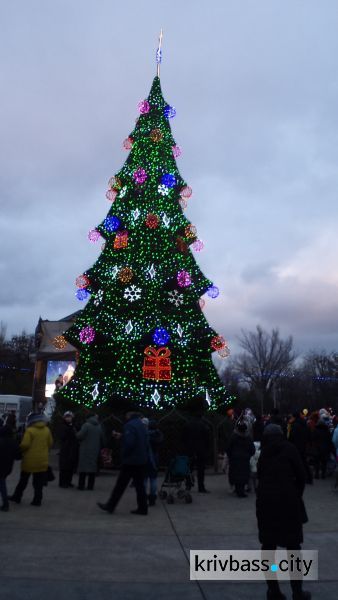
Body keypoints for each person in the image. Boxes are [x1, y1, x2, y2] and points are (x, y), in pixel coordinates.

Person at [256, 424, 311, 600]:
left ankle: (274, 590)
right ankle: (297, 591)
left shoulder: (264, 453)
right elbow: (302, 476)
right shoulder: (290, 449)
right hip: (288, 502)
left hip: (266, 503)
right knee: (293, 548)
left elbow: (259, 476)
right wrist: (295, 495)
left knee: (268, 548)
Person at [97, 411, 149, 515]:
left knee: (120, 485)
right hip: (141, 460)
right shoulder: (141, 425)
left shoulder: (129, 425)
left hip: (131, 461)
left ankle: (110, 505)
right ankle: (143, 508)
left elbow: (129, 443)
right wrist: (123, 436)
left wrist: (123, 454)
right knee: (140, 486)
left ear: (129, 416)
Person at [9, 413, 53, 506]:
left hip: (29, 460)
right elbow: (50, 443)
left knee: (23, 480)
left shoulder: (30, 430)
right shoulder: (47, 430)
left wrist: (19, 448)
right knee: (38, 483)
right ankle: (37, 500)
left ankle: (17, 497)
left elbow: (25, 444)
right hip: (42, 461)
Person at [183, 414, 211, 493]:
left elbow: (183, 437)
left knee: (189, 468)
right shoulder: (204, 426)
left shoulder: (187, 424)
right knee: (201, 469)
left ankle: (188, 485)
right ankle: (201, 487)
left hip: (190, 449)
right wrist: (207, 449)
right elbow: (207, 438)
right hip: (201, 449)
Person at [226, 421, 255, 497]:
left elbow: (228, 448)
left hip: (234, 459)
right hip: (245, 459)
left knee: (235, 473)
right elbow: (252, 449)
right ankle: (241, 490)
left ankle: (238, 488)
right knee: (243, 474)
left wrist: (230, 456)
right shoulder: (248, 438)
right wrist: (249, 455)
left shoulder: (233, 437)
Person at [76, 413, 103, 491]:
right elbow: (102, 437)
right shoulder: (99, 426)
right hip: (95, 449)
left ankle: (81, 486)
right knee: (92, 468)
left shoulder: (86, 425)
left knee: (83, 468)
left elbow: (79, 436)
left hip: (85, 449)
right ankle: (90, 486)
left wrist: (76, 434)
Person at [0, 422, 21, 511]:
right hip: (8, 467)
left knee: (2, 485)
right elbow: (18, 457)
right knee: (2, 483)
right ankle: (5, 504)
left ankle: (5, 504)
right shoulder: (14, 442)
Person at [288, 411, 313, 484]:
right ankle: (309, 477)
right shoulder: (305, 424)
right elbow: (309, 434)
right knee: (304, 462)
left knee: (296, 462)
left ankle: (298, 477)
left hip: (296, 446)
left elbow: (292, 436)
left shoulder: (294, 425)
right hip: (304, 445)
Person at [144, 418, 163, 506]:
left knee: (144, 479)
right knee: (153, 479)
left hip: (146, 458)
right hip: (155, 458)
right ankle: (152, 497)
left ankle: (143, 497)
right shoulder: (159, 435)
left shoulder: (145, 435)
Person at [57, 411, 79, 488]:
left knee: (70, 466)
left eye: (70, 417)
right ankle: (62, 482)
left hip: (72, 448)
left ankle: (68, 481)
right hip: (65, 448)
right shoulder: (63, 426)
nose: (69, 418)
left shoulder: (73, 426)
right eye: (67, 417)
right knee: (64, 466)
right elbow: (62, 436)